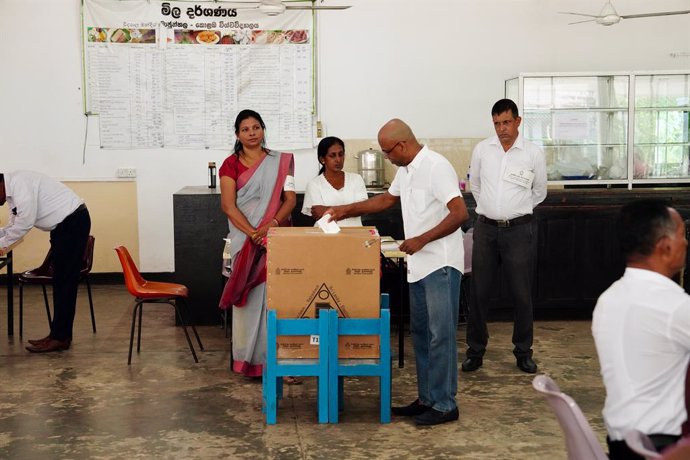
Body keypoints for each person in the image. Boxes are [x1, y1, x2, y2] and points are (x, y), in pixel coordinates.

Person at [325, 119, 469, 426]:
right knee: (420, 334)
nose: (387, 157)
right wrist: (343, 211)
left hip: (440, 263)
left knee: (440, 336)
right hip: (419, 266)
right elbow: (386, 200)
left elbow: (460, 213)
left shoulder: (436, 166)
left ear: (402, 145)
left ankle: (446, 404)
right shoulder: (406, 170)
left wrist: (421, 239)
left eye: (388, 151)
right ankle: (428, 398)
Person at [592, 199, 690, 459]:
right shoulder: (674, 306)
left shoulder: (608, 298)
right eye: (682, 236)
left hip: (620, 440)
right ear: (665, 246)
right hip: (664, 445)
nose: (686, 243)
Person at [462, 98, 547, 374]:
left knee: (522, 294)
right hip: (485, 229)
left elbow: (539, 191)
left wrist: (516, 210)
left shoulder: (532, 153)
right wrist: (493, 210)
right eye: (497, 123)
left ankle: (523, 352)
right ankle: (475, 351)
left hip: (519, 230)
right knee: (479, 293)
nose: (502, 129)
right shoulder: (482, 150)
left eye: (507, 122)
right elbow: (474, 185)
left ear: (518, 121)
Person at [218, 109, 296, 377]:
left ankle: (280, 362)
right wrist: (253, 233)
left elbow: (290, 200)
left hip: (276, 238)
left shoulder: (282, 161)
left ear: (263, 129)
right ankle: (249, 362)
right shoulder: (230, 164)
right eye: (245, 129)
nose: (251, 133)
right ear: (237, 134)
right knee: (249, 301)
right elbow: (228, 206)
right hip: (246, 240)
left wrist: (270, 226)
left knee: (279, 300)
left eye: (256, 127)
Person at [0, 171, 91, 353]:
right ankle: (57, 334)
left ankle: (60, 338)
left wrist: (2, 243)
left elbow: (24, 223)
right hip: (65, 226)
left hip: (72, 224)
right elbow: (13, 223)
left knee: (65, 283)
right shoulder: (12, 190)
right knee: (60, 282)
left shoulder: (20, 185)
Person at [301, 136, 368, 226]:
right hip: (326, 236)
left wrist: (329, 210)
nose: (338, 160)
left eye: (341, 154)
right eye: (332, 156)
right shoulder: (314, 185)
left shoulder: (356, 179)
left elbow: (363, 208)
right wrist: (352, 209)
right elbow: (319, 213)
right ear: (322, 159)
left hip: (355, 234)